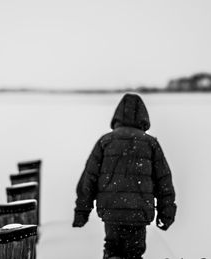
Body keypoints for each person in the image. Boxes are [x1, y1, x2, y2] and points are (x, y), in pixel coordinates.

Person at [73, 93, 177, 259]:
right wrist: (166, 213)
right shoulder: (150, 144)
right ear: (143, 117)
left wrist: (81, 211)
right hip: (138, 213)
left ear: (117, 116)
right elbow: (163, 181)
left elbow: (89, 178)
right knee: (134, 253)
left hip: (112, 212)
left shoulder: (106, 141)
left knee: (112, 250)